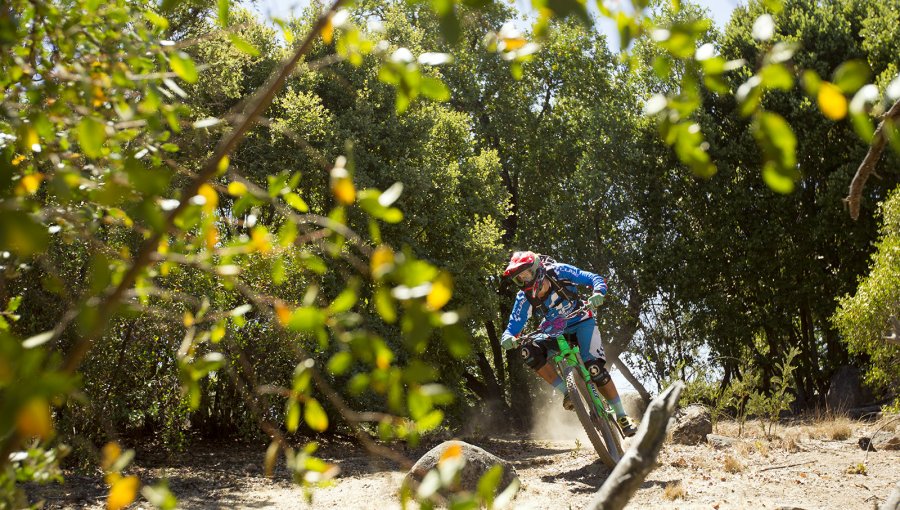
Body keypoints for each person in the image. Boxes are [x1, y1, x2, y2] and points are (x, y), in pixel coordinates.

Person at [500, 250, 638, 437]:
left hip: (581, 321)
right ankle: (568, 393)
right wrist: (508, 337)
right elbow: (513, 327)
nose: (525, 281)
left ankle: (622, 416)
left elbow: (591, 278)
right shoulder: (524, 297)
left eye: (526, 275)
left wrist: (598, 292)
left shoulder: (558, 271)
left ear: (537, 269)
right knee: (527, 352)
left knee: (595, 369)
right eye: (519, 279)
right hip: (553, 331)